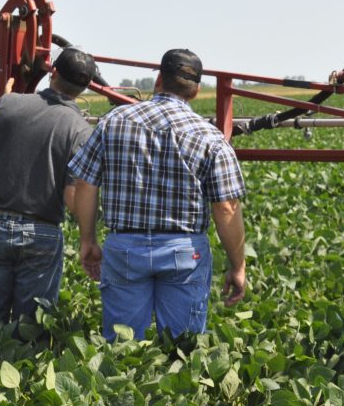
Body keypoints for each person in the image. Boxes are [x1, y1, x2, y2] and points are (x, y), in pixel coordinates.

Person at [68, 48, 247, 341]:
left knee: (121, 350)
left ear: (159, 80)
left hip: (124, 246)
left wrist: (88, 240)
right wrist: (237, 266)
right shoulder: (210, 136)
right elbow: (226, 207)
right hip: (184, 251)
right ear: (196, 90)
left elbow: (85, 183)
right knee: (183, 351)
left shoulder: (115, 121)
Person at [0, 47, 96, 332]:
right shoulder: (81, 130)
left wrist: (0, 113)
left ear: (54, 73)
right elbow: (73, 196)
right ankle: (18, 374)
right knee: (30, 330)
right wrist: (88, 238)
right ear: (85, 86)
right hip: (43, 232)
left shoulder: (7, 104)